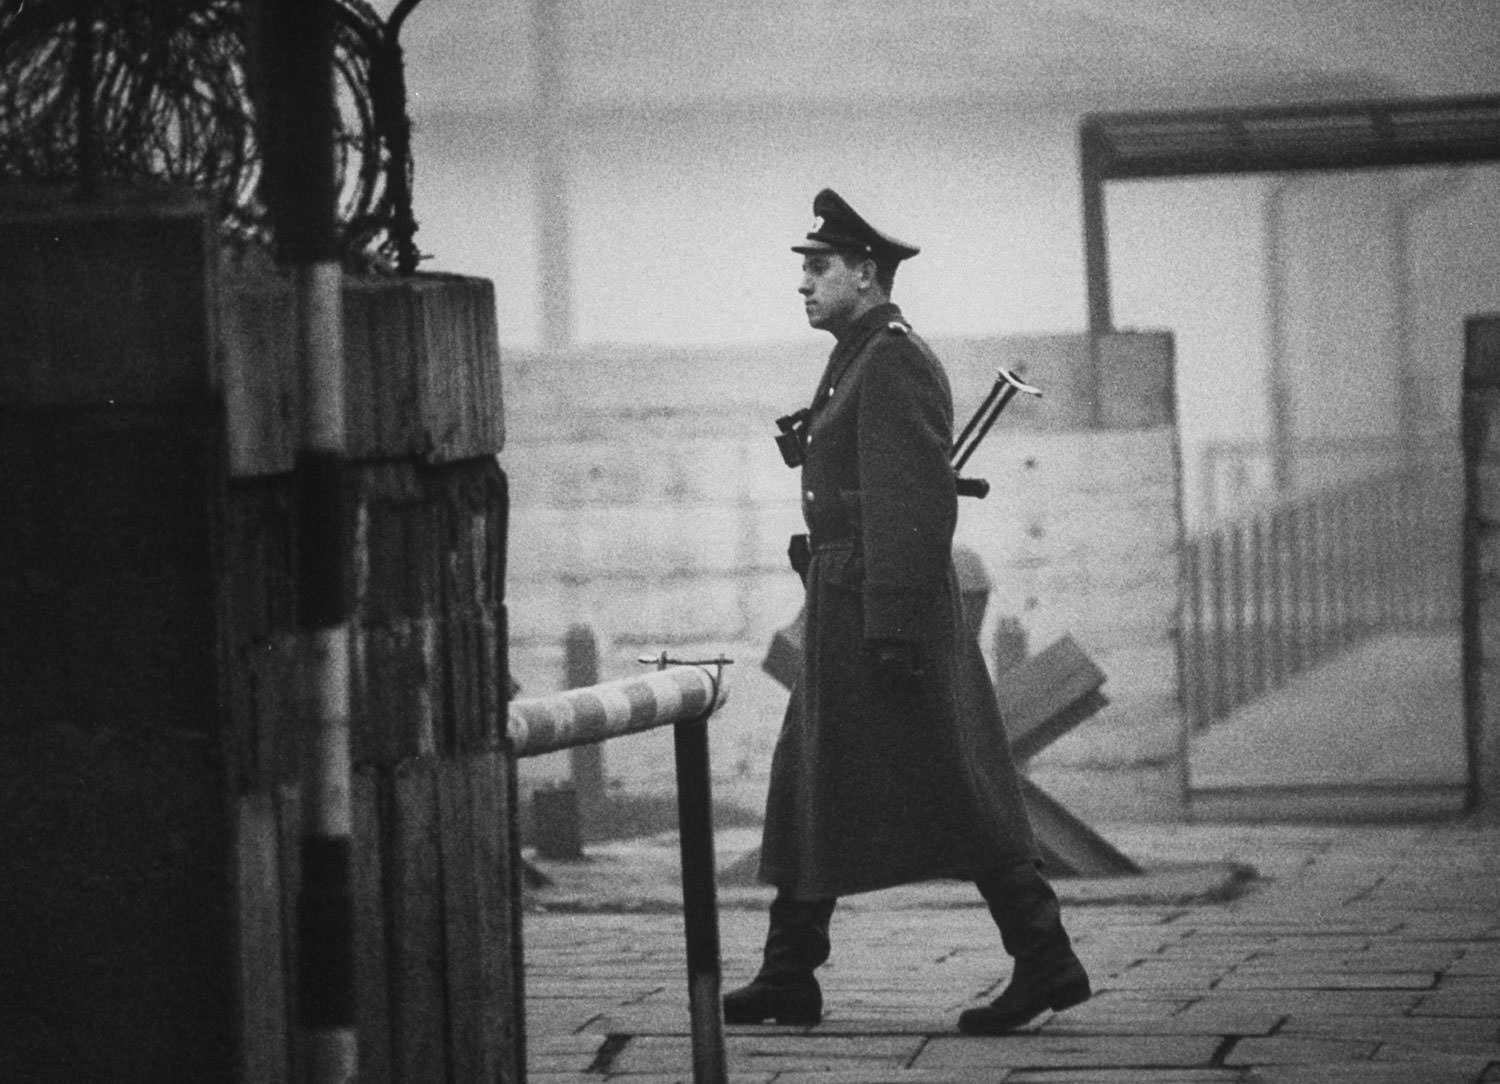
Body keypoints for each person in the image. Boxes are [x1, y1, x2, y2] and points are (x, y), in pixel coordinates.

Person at [723, 188, 1091, 1035]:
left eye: (819, 268)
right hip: (849, 599)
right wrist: (824, 554)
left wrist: (889, 627)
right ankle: (789, 974)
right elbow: (865, 489)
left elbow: (912, 503)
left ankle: (1044, 959)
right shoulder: (858, 352)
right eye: (805, 269)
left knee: (961, 787)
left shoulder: (889, 357)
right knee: (810, 778)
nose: (804, 283)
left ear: (865, 272)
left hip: (885, 615)